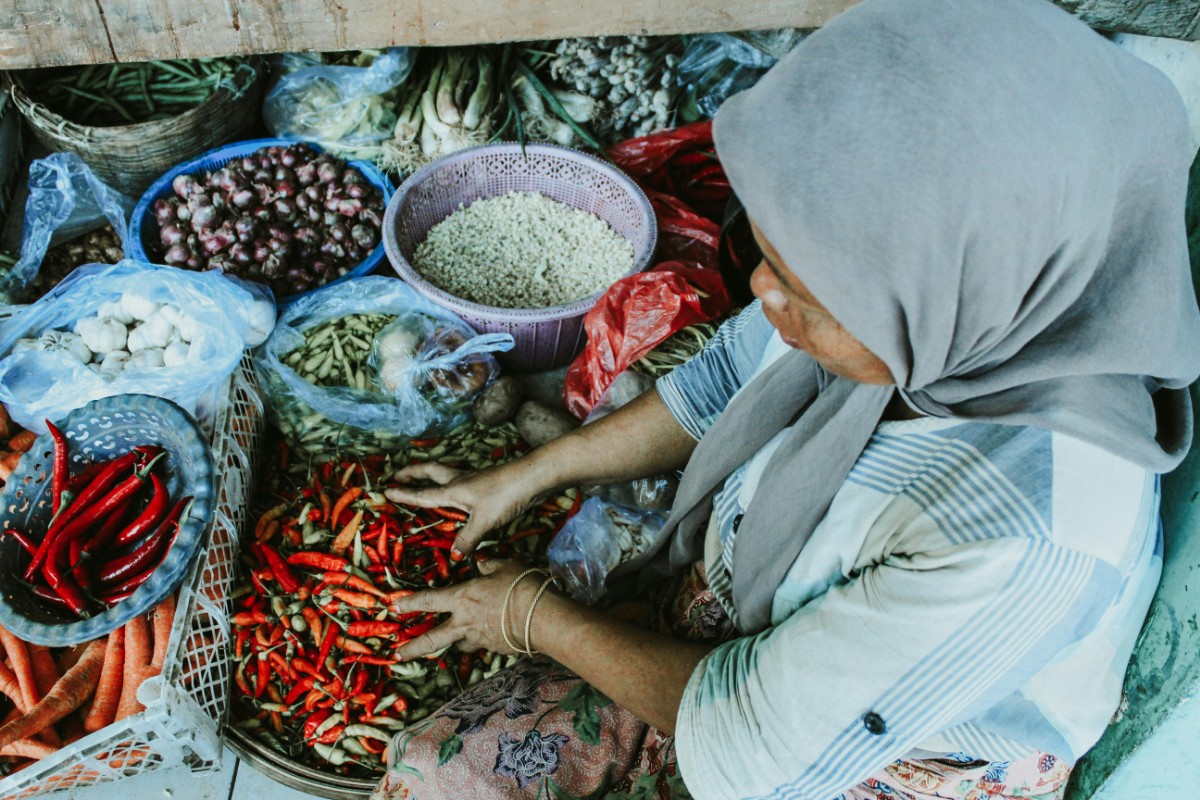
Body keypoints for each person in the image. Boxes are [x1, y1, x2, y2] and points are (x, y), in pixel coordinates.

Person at [370, 0, 1200, 798]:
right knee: (433, 773)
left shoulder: (1023, 541)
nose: (764, 294)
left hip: (873, 763)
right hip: (744, 643)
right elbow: (723, 383)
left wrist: (531, 617)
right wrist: (532, 474)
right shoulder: (933, 306)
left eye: (808, 294)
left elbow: (749, 740)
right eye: (764, 255)